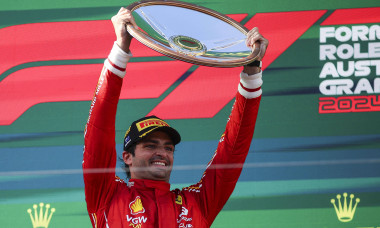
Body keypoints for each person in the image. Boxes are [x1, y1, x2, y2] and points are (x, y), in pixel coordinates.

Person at [83, 7, 269, 228]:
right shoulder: (107, 195)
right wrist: (120, 50)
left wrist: (251, 73)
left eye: (169, 148)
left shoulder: (196, 203)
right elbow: (99, 129)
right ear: (127, 156)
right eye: (151, 146)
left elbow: (232, 152)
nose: (162, 153)